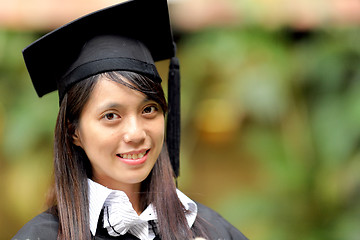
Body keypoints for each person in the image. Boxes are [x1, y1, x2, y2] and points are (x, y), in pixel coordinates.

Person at [12, 0, 248, 239]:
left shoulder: (211, 231)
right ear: (74, 132)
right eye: (111, 116)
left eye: (148, 110)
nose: (136, 133)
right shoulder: (42, 235)